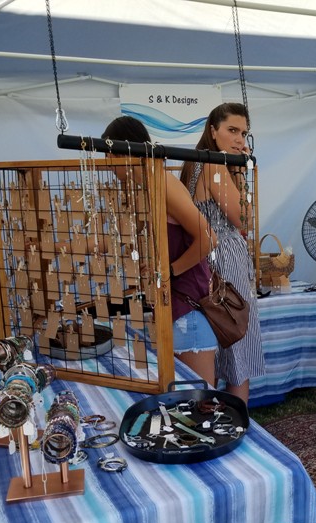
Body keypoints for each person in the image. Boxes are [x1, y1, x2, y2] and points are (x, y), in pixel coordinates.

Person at [102, 116, 218, 385]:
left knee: (201, 404)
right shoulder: (144, 189)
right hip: (171, 310)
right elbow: (116, 238)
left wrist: (169, 269)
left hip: (189, 312)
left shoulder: (163, 183)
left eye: (110, 156)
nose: (109, 165)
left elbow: (208, 239)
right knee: (181, 405)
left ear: (124, 152)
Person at [179, 103, 265, 404]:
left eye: (244, 133)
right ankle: (239, 420)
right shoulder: (215, 166)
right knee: (236, 343)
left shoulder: (194, 163)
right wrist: (241, 173)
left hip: (206, 261)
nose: (240, 139)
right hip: (224, 260)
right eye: (232, 130)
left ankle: (217, 417)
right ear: (213, 131)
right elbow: (244, 219)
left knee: (214, 344)